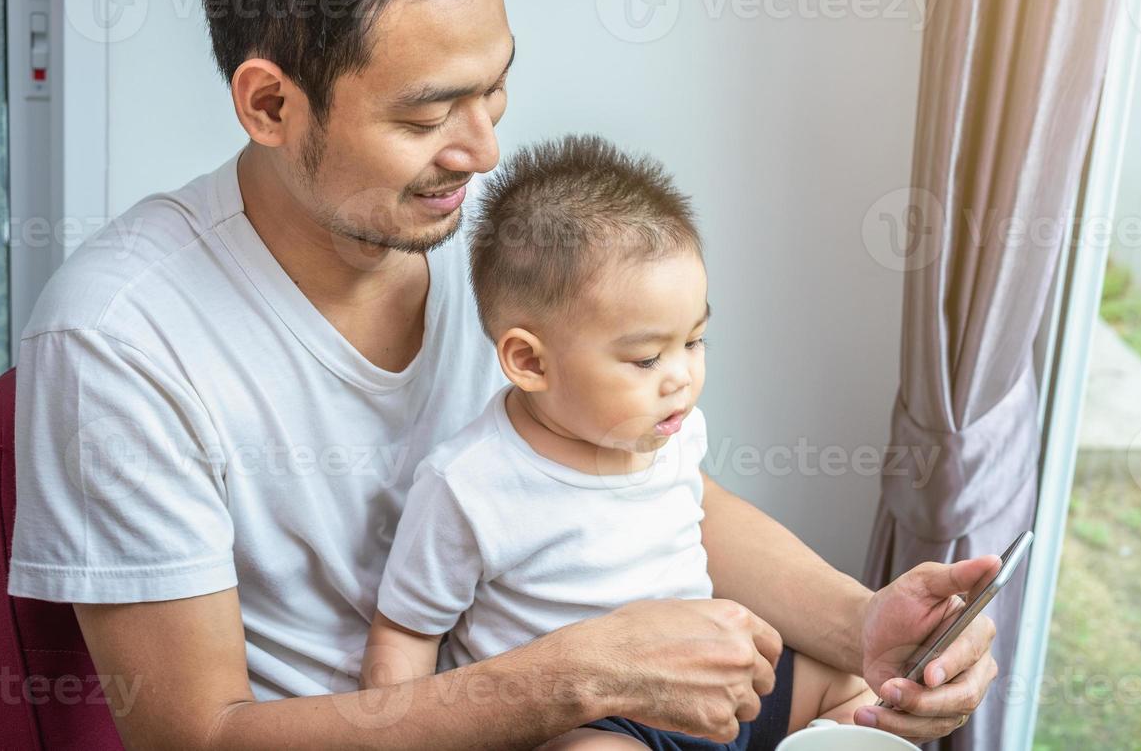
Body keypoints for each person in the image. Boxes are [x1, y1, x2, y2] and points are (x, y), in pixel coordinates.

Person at [8, 0, 998, 748]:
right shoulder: (120, 337)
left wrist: (864, 620)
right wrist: (578, 672)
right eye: (431, 111)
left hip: (586, 704)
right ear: (270, 102)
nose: (483, 151)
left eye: (494, 88)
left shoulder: (488, 249)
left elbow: (648, 489)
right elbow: (199, 737)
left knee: (865, 700)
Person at [363, 134, 878, 749]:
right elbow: (405, 639)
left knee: (852, 684)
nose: (681, 377)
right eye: (645, 358)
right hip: (594, 725)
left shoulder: (677, 431)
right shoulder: (469, 484)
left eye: (693, 342)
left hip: (719, 690)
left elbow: (700, 524)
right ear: (529, 362)